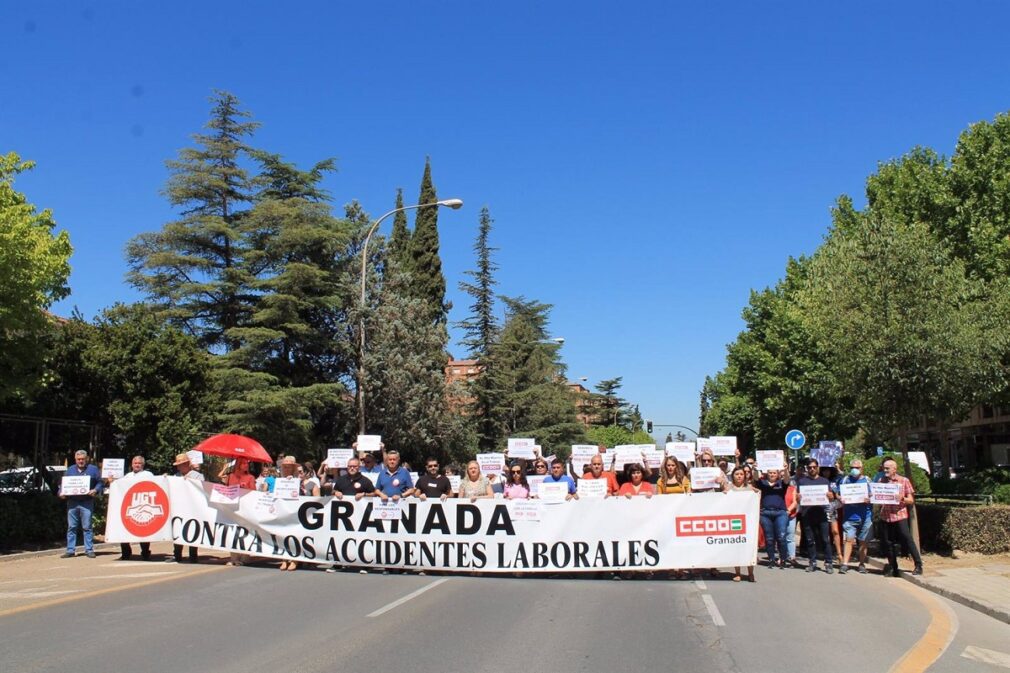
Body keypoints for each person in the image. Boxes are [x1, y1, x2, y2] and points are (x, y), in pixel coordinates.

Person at [879, 457, 923, 577]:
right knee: (889, 543)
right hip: (886, 516)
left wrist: (902, 498)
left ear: (894, 469)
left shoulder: (904, 481)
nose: (885, 470)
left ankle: (918, 565)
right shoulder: (881, 481)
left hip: (900, 516)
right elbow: (877, 496)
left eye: (887, 468)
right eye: (884, 468)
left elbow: (911, 500)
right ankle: (893, 567)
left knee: (907, 539)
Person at [59, 450, 103, 559]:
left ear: (86, 459)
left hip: (87, 502)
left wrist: (96, 490)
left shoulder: (93, 469)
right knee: (71, 527)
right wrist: (60, 493)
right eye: (78, 459)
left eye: (83, 459)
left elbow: (100, 482)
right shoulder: (70, 470)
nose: (81, 461)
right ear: (75, 459)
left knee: (87, 527)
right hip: (72, 502)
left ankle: (89, 550)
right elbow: (63, 485)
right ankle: (70, 550)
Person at [797, 458, 835, 573]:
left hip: (821, 513)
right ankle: (812, 562)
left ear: (818, 468)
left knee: (825, 539)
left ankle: (828, 562)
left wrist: (830, 496)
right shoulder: (802, 482)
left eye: (814, 467)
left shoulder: (824, 481)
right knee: (810, 540)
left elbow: (831, 498)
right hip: (807, 514)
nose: (812, 469)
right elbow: (798, 498)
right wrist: (798, 498)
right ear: (807, 469)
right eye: (809, 467)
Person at [113, 455, 154, 560]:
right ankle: (126, 552)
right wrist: (111, 481)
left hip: (143, 505)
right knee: (124, 528)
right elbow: (119, 488)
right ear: (132, 465)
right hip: (130, 506)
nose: (137, 465)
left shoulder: (148, 475)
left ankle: (145, 552)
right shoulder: (127, 476)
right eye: (135, 463)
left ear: (143, 465)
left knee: (143, 530)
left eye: (139, 463)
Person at [838, 459, 872, 574]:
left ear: (861, 468)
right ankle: (845, 564)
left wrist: (869, 499)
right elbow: (838, 494)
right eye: (852, 467)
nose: (854, 470)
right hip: (849, 516)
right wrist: (840, 498)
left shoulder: (867, 481)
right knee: (849, 540)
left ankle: (861, 564)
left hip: (865, 516)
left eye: (857, 468)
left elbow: (873, 495)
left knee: (863, 541)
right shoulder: (845, 480)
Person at [169, 453, 203, 564]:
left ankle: (193, 555)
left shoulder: (197, 476)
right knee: (178, 530)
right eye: (178, 465)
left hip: (193, 507)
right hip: (179, 507)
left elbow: (201, 488)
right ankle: (177, 555)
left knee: (193, 530)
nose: (180, 467)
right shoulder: (175, 477)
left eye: (182, 464)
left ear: (188, 464)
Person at [727, 466, 757, 582]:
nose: (739, 476)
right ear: (733, 476)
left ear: (744, 476)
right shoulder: (729, 488)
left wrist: (757, 493)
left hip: (748, 522)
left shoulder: (749, 488)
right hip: (734, 521)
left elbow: (756, 499)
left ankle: (750, 573)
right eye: (736, 474)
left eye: (741, 474)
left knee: (749, 547)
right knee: (736, 548)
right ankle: (738, 573)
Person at [756, 468, 789, 569]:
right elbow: (755, 478)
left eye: (774, 473)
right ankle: (771, 559)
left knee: (781, 537)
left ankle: (783, 559)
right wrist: (754, 468)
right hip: (765, 513)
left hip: (780, 512)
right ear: (767, 474)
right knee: (769, 538)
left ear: (778, 474)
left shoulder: (781, 483)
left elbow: (787, 479)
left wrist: (786, 469)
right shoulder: (763, 483)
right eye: (770, 473)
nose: (772, 475)